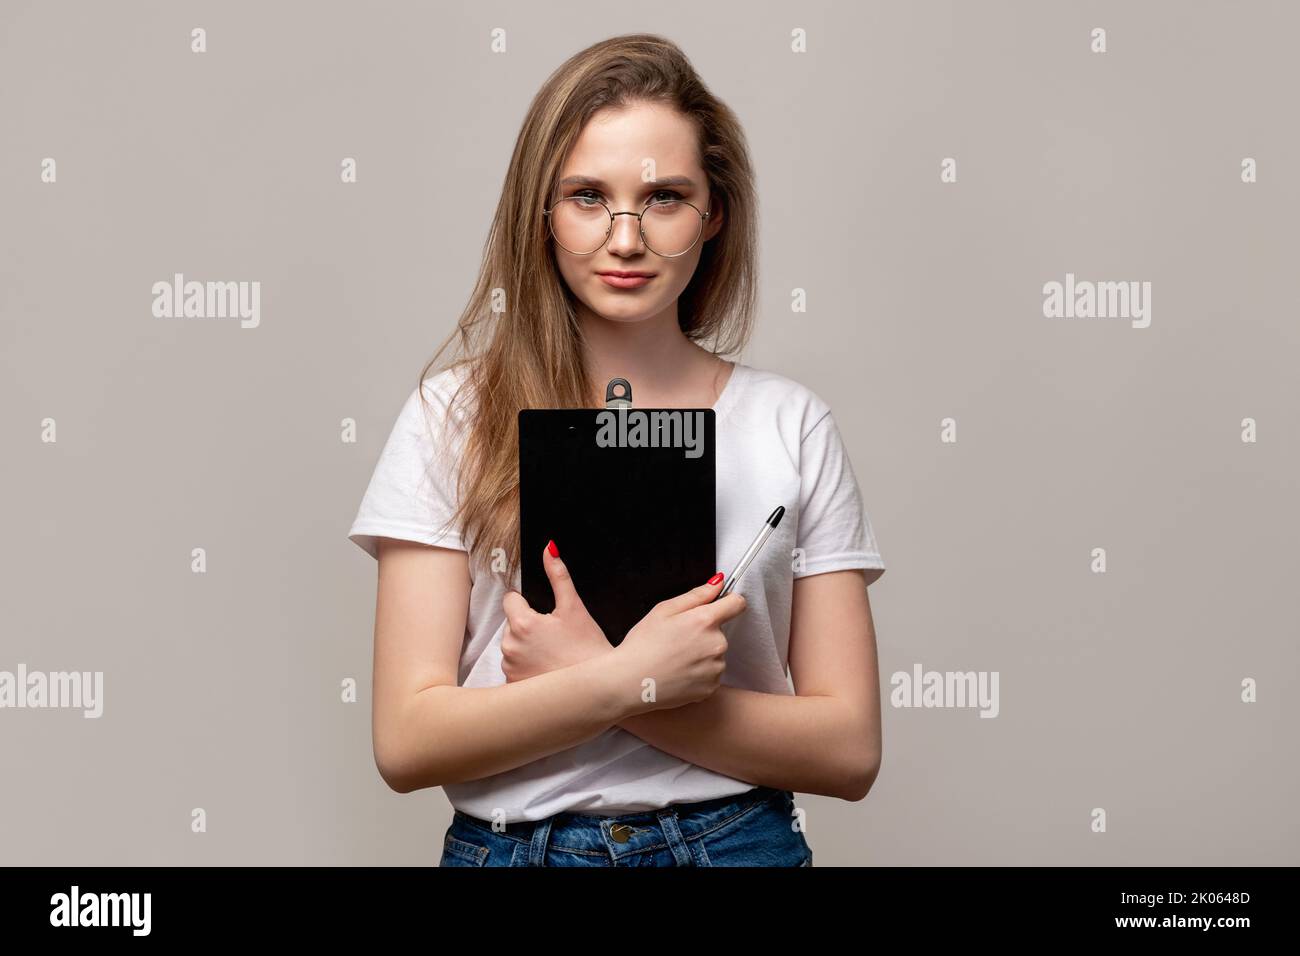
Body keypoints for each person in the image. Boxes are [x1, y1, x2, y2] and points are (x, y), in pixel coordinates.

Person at [348, 33, 886, 867]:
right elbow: (407, 740)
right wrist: (621, 680)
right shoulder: (450, 414)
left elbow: (848, 750)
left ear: (714, 216)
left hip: (734, 845)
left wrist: (598, 676)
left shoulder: (790, 423)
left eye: (664, 196)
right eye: (589, 197)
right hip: (517, 850)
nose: (625, 239)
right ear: (543, 213)